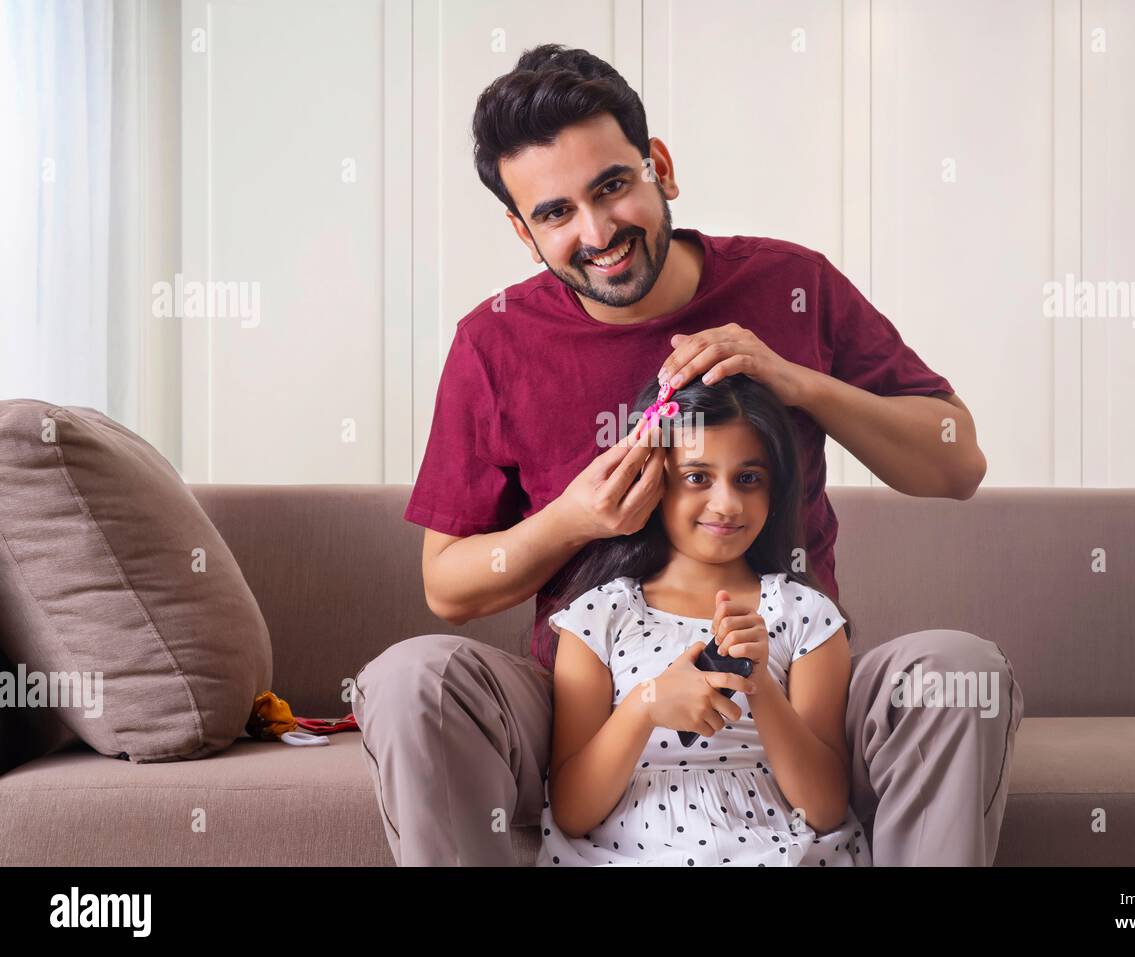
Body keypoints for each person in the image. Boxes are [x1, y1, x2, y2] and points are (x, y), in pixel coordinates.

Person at [353, 43, 1022, 866]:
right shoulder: (494, 343)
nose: (598, 233)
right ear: (523, 233)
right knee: (410, 675)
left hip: (793, 677)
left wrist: (798, 382)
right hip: (581, 701)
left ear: (658, 166)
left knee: (957, 670)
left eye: (612, 187)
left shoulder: (791, 284)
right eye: (556, 213)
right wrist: (570, 520)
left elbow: (958, 462)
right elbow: (446, 586)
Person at [538, 372, 870, 866]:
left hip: (775, 849)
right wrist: (645, 706)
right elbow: (571, 812)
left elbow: (822, 809)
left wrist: (760, 686)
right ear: (652, 479)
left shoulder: (804, 615)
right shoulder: (601, 616)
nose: (727, 504)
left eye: (748, 479)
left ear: (774, 489)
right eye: (698, 477)